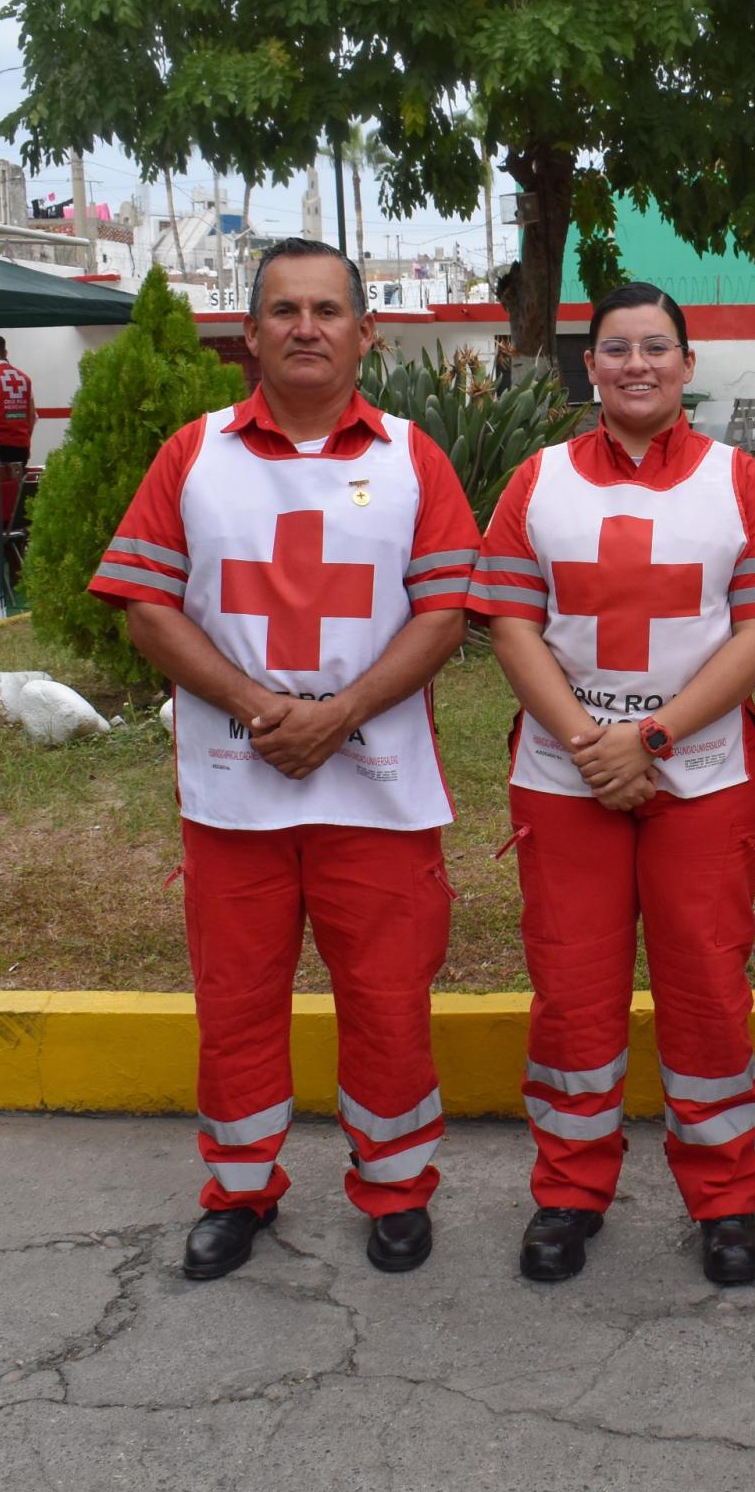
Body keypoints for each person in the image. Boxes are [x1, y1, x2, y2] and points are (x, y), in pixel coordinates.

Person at [88, 238, 480, 1281]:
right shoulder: (194, 452)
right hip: (233, 790)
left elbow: (445, 613)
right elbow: (141, 602)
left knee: (389, 1000)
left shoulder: (412, 456)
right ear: (250, 333)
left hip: (381, 791)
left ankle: (395, 1186)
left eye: (326, 309)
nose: (306, 326)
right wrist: (265, 706)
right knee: (237, 1001)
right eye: (283, 310)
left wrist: (338, 711)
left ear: (365, 332)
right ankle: (239, 1188)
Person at [468, 282, 755, 1286]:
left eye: (656, 347)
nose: (635, 365)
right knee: (572, 996)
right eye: (615, 348)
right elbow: (508, 621)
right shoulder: (535, 482)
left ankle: (726, 1199)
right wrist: (589, 743)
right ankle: (568, 1193)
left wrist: (650, 738)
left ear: (686, 364)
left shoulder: (737, 480)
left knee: (707, 992)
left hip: (699, 775)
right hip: (565, 778)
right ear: (590, 366)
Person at [0, 336, 35, 467]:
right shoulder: (25, 378)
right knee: (18, 485)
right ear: (5, 353)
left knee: (2, 487)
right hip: (22, 444)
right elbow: (32, 416)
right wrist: (26, 443)